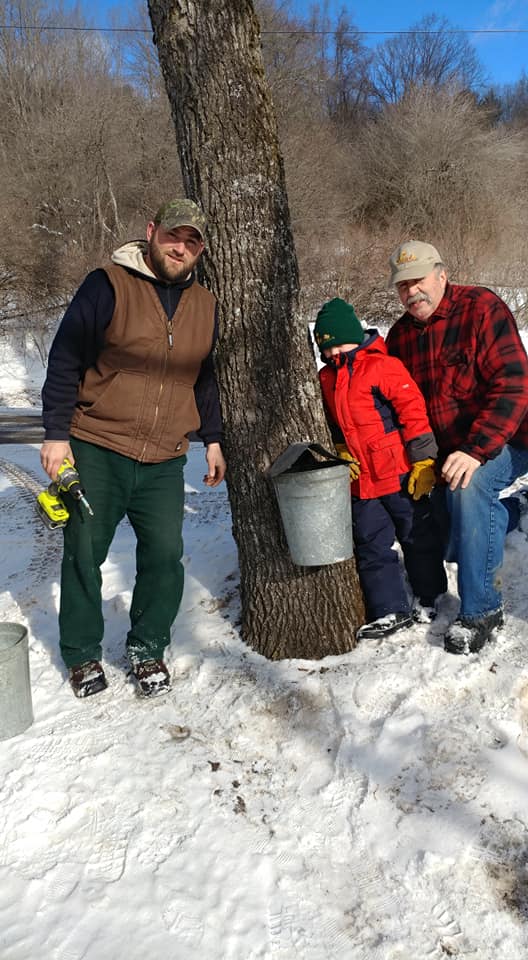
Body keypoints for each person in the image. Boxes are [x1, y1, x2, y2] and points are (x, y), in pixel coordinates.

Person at [41, 198, 226, 698]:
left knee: (165, 556)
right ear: (151, 231)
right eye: (173, 235)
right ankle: (81, 654)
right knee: (83, 551)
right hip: (98, 444)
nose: (180, 247)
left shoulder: (205, 305)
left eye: (192, 241)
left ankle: (147, 648)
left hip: (165, 456)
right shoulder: (107, 284)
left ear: (201, 249)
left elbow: (203, 380)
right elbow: (65, 359)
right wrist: (56, 434)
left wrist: (213, 439)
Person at [386, 240, 528, 655]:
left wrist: (476, 450)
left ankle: (482, 610)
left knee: (470, 489)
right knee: (452, 542)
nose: (412, 292)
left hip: (509, 438)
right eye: (402, 286)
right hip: (448, 457)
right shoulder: (399, 338)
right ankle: (516, 510)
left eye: (419, 281)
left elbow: (514, 385)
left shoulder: (481, 308)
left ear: (442, 275)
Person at [314, 297, 447, 641]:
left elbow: (412, 413)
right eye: (324, 347)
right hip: (360, 481)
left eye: (335, 344)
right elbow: (329, 424)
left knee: (417, 536)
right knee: (371, 544)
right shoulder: (326, 378)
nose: (330, 354)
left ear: (353, 335)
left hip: (398, 472)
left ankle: (430, 594)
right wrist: (339, 450)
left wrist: (423, 461)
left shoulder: (383, 366)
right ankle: (389, 608)